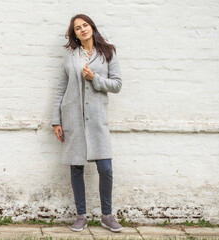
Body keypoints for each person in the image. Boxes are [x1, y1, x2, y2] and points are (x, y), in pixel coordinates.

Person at [51, 14, 123, 233]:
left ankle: (107, 215)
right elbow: (61, 89)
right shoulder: (70, 57)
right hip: (72, 118)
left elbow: (117, 84)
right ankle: (81, 215)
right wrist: (56, 120)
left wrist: (95, 79)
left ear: (92, 27)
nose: (82, 29)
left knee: (106, 169)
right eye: (77, 28)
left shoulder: (107, 52)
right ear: (74, 34)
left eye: (85, 25)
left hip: (97, 119)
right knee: (76, 168)